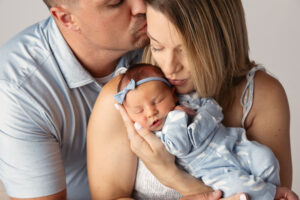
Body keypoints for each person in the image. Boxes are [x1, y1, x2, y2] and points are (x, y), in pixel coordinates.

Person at [87, 0, 298, 199]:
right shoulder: (127, 99)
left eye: (186, 50)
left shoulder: (261, 96)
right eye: (157, 46)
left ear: (221, 40)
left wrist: (173, 177)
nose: (170, 67)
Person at [0, 0, 149, 199]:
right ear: (67, 18)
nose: (142, 6)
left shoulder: (161, 32)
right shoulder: (17, 92)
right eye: (115, 3)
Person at [114, 63, 281, 199]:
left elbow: (215, 109)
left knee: (267, 158)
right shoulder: (156, 136)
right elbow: (180, 146)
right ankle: (270, 194)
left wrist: (201, 119)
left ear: (172, 94)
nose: (151, 113)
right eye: (138, 111)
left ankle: (275, 191)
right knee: (243, 190)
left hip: (235, 144)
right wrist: (177, 116)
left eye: (158, 101)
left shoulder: (189, 99)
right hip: (214, 170)